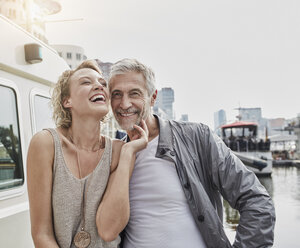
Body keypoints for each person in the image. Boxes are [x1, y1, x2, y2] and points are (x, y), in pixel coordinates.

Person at [107, 58, 276, 248]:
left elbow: (256, 201)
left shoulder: (197, 137)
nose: (124, 103)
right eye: (116, 94)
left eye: (134, 93)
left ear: (153, 97)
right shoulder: (113, 155)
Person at [26, 60, 148, 248]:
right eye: (86, 82)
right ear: (67, 101)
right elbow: (42, 234)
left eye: (102, 83)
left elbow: (109, 229)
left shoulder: (119, 152)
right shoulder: (45, 144)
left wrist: (128, 151)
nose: (99, 86)